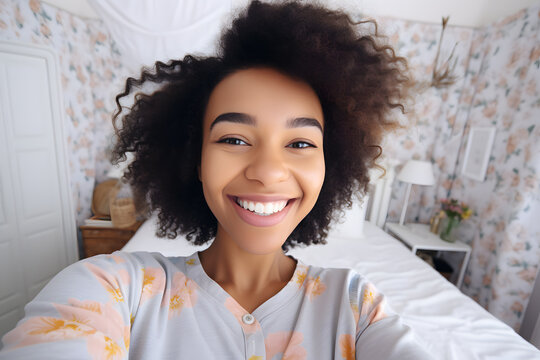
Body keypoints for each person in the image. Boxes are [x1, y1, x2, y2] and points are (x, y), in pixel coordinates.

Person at [0, 1, 431, 359]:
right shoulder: (116, 288)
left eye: (299, 143)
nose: (267, 171)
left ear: (330, 167)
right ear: (195, 158)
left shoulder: (357, 309)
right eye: (235, 138)